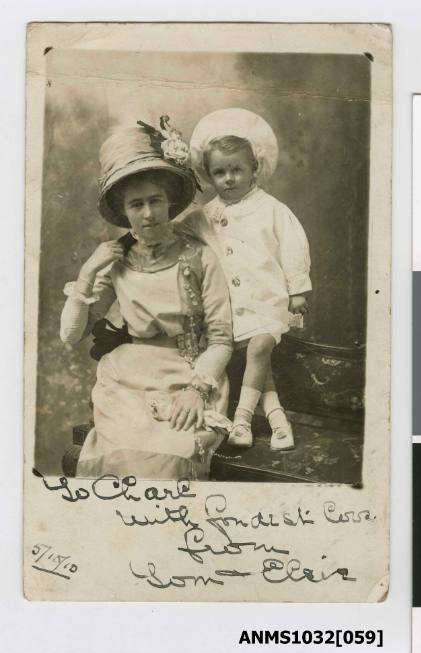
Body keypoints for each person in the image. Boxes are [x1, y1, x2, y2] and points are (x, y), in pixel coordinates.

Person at [60, 116, 233, 479]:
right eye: (136, 205)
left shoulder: (200, 257)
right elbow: (71, 334)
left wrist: (196, 392)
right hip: (125, 385)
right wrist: (88, 273)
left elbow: (220, 339)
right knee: (123, 458)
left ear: (170, 201)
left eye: (155, 201)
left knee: (170, 458)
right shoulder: (115, 260)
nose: (149, 214)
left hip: (188, 377)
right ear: (124, 212)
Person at [185, 108, 312, 451]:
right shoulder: (204, 216)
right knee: (260, 364)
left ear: (255, 167)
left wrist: (296, 291)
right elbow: (178, 235)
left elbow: (293, 247)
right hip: (230, 307)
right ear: (208, 175)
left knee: (259, 348)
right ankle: (278, 420)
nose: (229, 178)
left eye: (237, 170)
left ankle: (240, 421)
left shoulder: (272, 209)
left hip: (267, 300)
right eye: (220, 172)